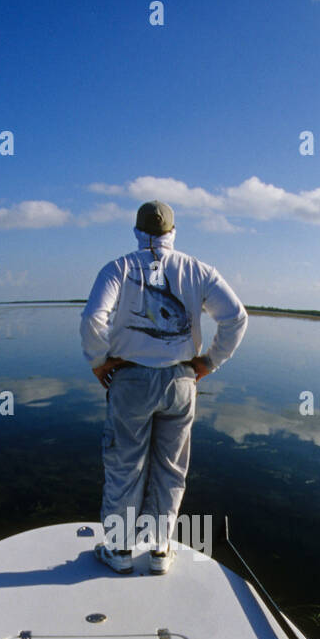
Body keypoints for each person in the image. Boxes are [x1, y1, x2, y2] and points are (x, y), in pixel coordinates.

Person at [80, 200, 248, 574]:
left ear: (137, 231)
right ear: (172, 233)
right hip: (181, 382)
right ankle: (159, 552)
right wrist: (209, 362)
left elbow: (94, 318)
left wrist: (98, 361)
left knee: (125, 465)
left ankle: (120, 551)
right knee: (171, 468)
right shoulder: (198, 270)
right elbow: (236, 317)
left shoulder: (118, 268)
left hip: (130, 381)